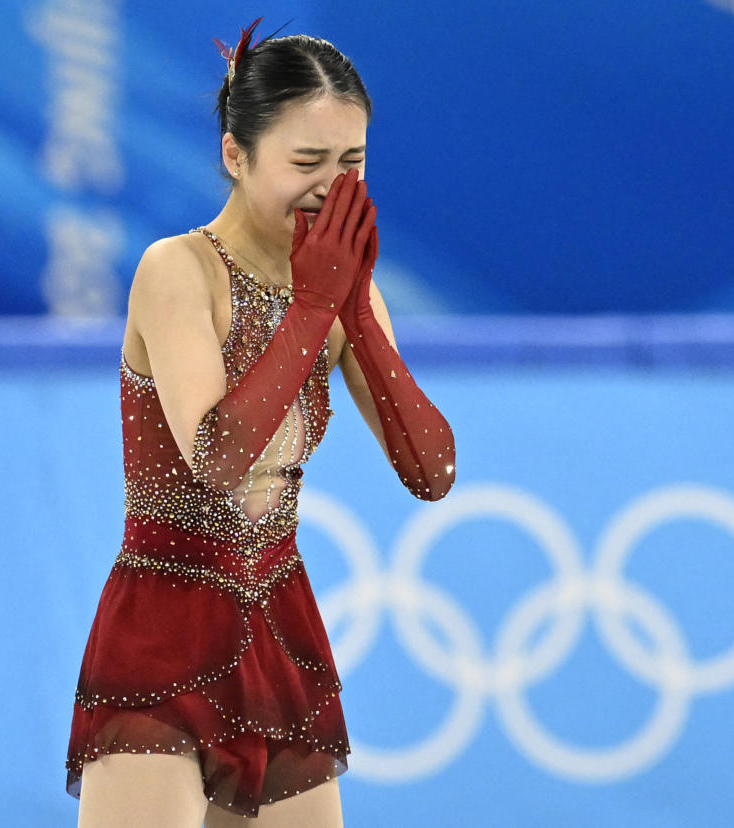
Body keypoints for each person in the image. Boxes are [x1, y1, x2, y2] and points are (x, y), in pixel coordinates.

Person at [65, 19, 456, 828]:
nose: (330, 187)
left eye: (351, 163)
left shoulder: (342, 285)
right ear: (235, 157)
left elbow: (431, 474)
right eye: (305, 162)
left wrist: (354, 311)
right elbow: (216, 458)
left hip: (277, 624)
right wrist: (315, 305)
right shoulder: (179, 271)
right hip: (164, 625)